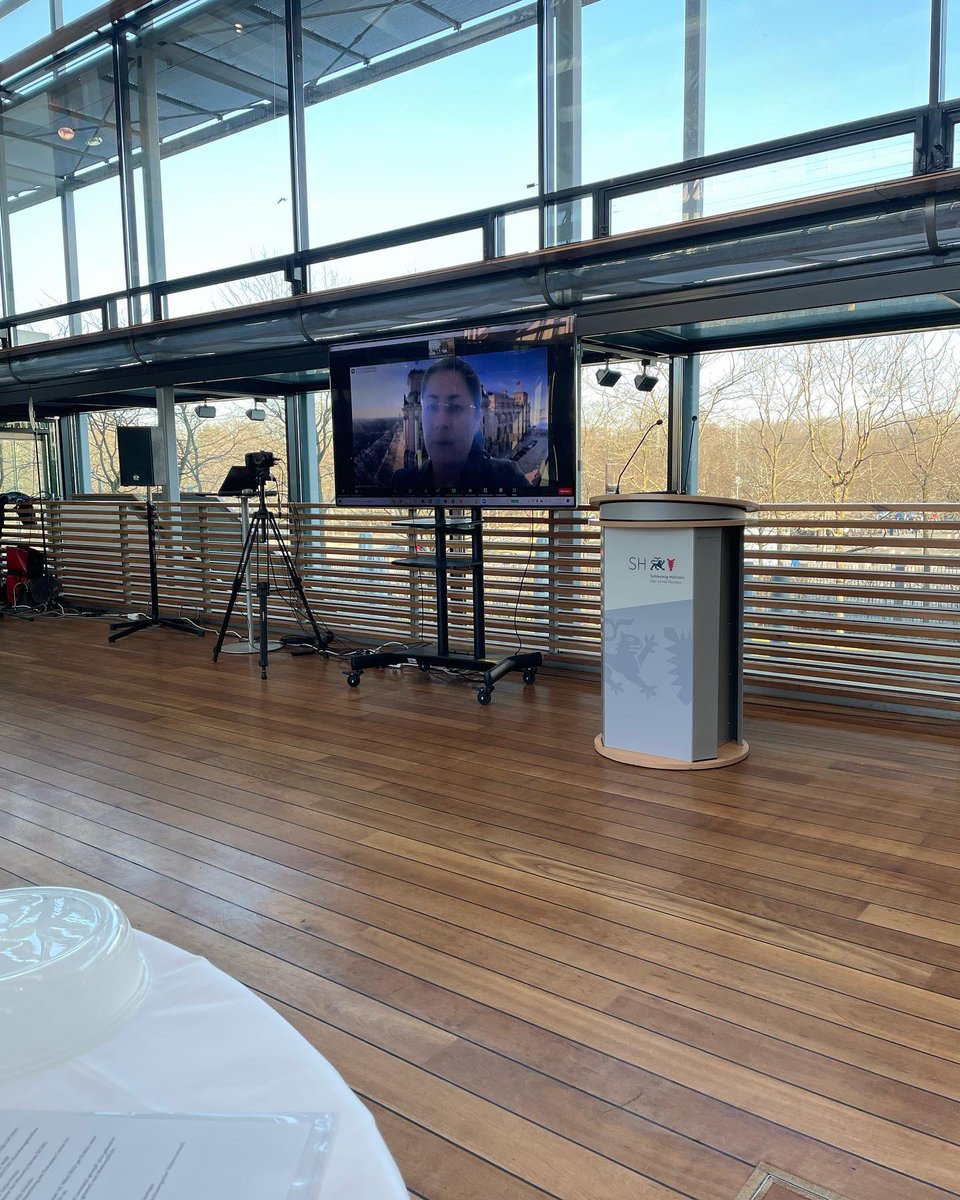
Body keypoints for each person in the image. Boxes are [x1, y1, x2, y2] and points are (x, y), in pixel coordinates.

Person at [391, 357, 529, 494]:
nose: (441, 422)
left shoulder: (508, 479)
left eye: (455, 407)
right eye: (431, 407)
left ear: (477, 419)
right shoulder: (401, 482)